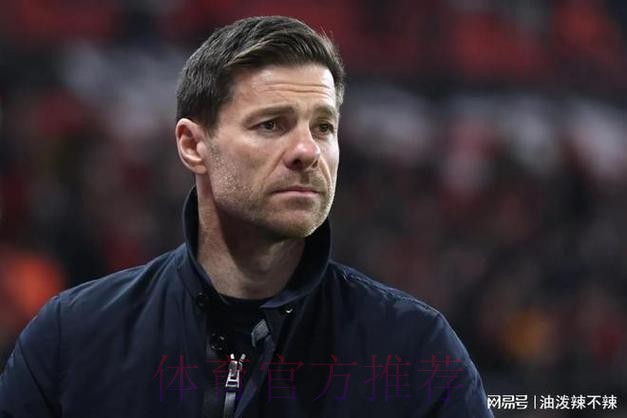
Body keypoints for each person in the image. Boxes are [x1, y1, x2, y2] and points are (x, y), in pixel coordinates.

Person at [0, 16, 492, 417]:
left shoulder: (415, 350)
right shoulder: (74, 337)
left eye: (323, 127)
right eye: (271, 124)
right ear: (193, 146)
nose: (307, 151)